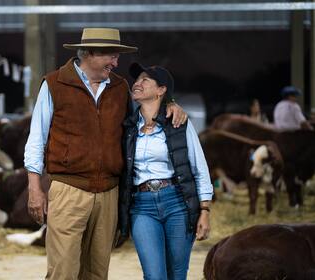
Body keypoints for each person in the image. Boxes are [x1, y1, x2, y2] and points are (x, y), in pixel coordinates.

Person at [24, 28, 187, 280]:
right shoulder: (54, 84)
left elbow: (150, 109)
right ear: (90, 53)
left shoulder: (121, 88)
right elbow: (36, 139)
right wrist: (35, 188)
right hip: (68, 190)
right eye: (111, 56)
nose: (116, 63)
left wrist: (172, 103)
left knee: (97, 273)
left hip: (109, 194)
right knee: (63, 271)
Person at [119, 63, 214, 280]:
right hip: (141, 206)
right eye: (137, 80)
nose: (137, 83)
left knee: (177, 274)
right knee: (154, 275)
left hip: (177, 203)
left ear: (161, 90)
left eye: (145, 80)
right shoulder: (128, 127)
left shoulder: (178, 122)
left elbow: (200, 168)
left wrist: (205, 210)